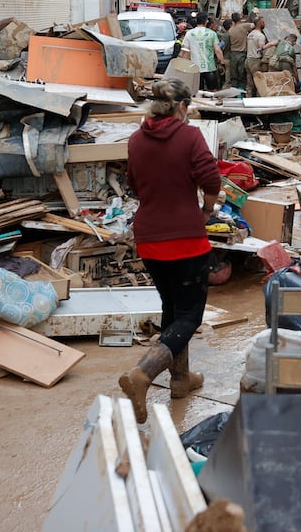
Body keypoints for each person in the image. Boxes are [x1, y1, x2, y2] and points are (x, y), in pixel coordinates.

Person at [120, 79, 221, 424]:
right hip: (186, 238)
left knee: (172, 308)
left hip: (149, 238)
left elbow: (132, 183)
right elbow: (211, 179)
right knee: (190, 316)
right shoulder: (189, 135)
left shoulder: (136, 139)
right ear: (180, 107)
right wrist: (206, 209)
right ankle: (143, 374)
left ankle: (180, 379)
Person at [180, 12, 225, 91]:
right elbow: (217, 50)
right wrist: (222, 63)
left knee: (197, 92)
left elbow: (185, 52)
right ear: (206, 21)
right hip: (210, 68)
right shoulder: (212, 34)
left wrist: (184, 67)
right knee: (212, 91)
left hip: (195, 69)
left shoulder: (189, 33)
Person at [245, 16, 276, 96]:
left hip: (248, 60)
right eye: (263, 22)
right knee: (260, 82)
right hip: (255, 61)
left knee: (250, 83)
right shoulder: (260, 36)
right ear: (259, 24)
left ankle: (248, 99)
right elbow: (261, 48)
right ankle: (259, 100)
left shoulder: (250, 34)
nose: (264, 24)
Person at [226, 11, 252, 90]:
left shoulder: (230, 30)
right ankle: (241, 93)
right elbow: (255, 25)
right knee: (242, 76)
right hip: (242, 55)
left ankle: (234, 91)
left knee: (234, 76)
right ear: (240, 19)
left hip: (233, 54)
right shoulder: (244, 26)